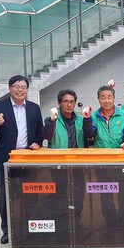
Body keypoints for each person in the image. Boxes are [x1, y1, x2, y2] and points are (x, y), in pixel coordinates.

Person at [0, 75, 43, 245]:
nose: (20, 90)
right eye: (16, 86)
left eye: (23, 87)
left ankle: (29, 227)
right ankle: (7, 230)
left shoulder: (34, 108)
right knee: (6, 196)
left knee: (30, 194)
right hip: (7, 159)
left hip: (27, 158)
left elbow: (39, 131)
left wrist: (37, 143)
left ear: (27, 90)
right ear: (10, 88)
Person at [42, 89, 94, 232]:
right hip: (58, 166)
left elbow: (90, 137)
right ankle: (62, 227)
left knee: (78, 196)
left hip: (78, 166)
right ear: (59, 103)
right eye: (65, 101)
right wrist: (51, 121)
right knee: (60, 196)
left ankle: (76, 224)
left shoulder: (81, 119)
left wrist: (88, 119)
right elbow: (46, 136)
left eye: (72, 102)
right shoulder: (52, 119)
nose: (69, 104)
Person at [86, 85, 124, 228]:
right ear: (98, 99)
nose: (106, 100)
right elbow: (89, 135)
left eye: (109, 97)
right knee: (106, 192)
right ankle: (111, 222)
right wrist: (87, 121)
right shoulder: (93, 116)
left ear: (114, 98)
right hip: (102, 161)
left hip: (122, 161)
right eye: (103, 97)